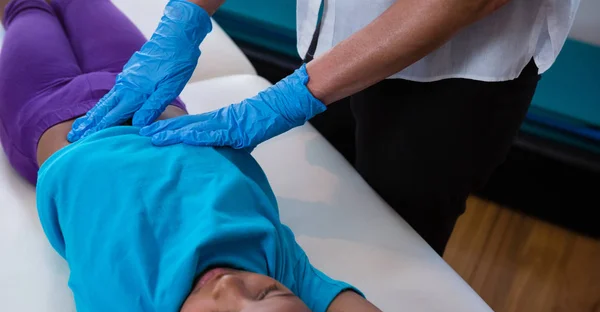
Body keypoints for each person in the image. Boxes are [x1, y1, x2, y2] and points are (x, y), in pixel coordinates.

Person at [0, 1, 564, 312]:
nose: (229, 289)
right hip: (149, 91)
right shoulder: (285, 270)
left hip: (49, 114)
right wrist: (188, 17)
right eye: (264, 293)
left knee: (27, 7)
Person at [69, 0, 579, 256]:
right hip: (334, 34)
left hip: (454, 70)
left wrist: (292, 98)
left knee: (394, 235)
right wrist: (187, 15)